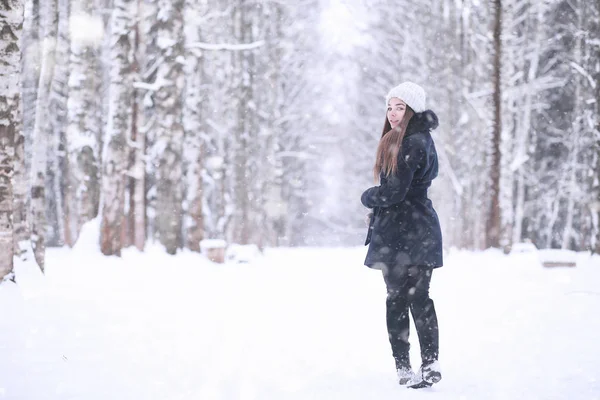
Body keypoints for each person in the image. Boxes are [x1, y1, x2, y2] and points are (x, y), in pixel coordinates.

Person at [361, 81, 443, 388]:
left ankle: (405, 367)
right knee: (419, 298)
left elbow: (393, 193)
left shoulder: (410, 142)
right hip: (420, 229)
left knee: (397, 299)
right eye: (390, 107)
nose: (393, 114)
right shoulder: (419, 139)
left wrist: (369, 196)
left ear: (412, 110)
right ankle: (428, 362)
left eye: (400, 107)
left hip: (402, 232)